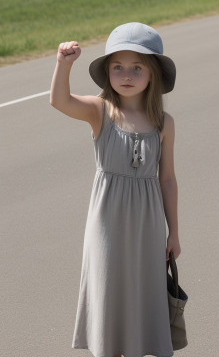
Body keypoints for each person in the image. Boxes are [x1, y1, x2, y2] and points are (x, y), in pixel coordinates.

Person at [50, 22, 181, 357]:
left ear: (152, 73)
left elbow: (167, 178)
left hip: (148, 225)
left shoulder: (164, 123)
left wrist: (173, 232)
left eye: (137, 67)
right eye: (117, 67)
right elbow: (60, 101)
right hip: (107, 221)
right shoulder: (101, 111)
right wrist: (64, 64)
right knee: (108, 289)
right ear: (107, 71)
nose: (127, 74)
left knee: (140, 291)